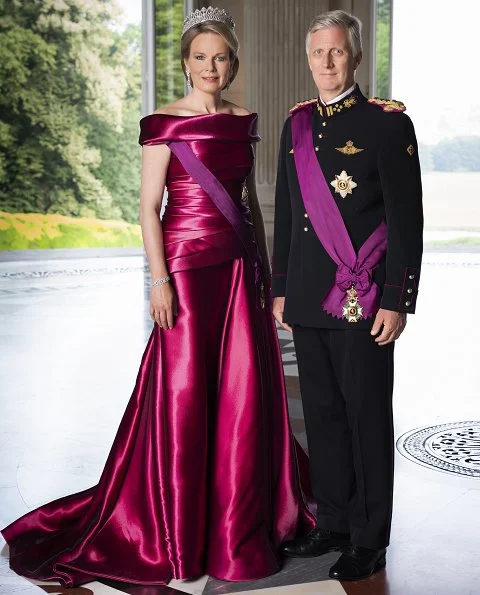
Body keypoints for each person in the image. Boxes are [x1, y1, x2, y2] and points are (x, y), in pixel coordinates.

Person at [1, 7, 314, 587]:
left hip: (240, 272)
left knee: (243, 396)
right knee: (186, 392)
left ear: (232, 62)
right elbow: (148, 208)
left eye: (220, 57)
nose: (210, 67)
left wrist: (268, 276)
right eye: (200, 57)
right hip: (189, 274)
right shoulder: (163, 124)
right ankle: (176, 526)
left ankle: (237, 523)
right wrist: (159, 280)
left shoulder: (245, 120)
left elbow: (247, 202)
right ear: (186, 62)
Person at [272, 10, 423, 581]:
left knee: (365, 418)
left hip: (363, 298)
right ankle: (332, 523)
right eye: (317, 53)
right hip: (311, 296)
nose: (326, 63)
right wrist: (281, 291)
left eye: (336, 52)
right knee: (325, 416)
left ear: (354, 56)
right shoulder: (297, 126)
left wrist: (396, 299)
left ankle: (369, 536)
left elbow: (407, 221)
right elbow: (289, 214)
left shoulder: (387, 125)